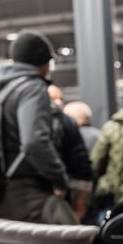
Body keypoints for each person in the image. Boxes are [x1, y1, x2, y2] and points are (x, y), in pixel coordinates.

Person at [0, 30, 74, 224]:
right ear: (43, 63)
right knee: (71, 236)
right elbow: (34, 142)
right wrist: (60, 179)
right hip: (25, 191)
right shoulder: (32, 88)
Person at [48, 84, 93, 222]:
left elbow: (82, 166)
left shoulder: (67, 124)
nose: (58, 102)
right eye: (53, 98)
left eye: (60, 98)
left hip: (64, 196)